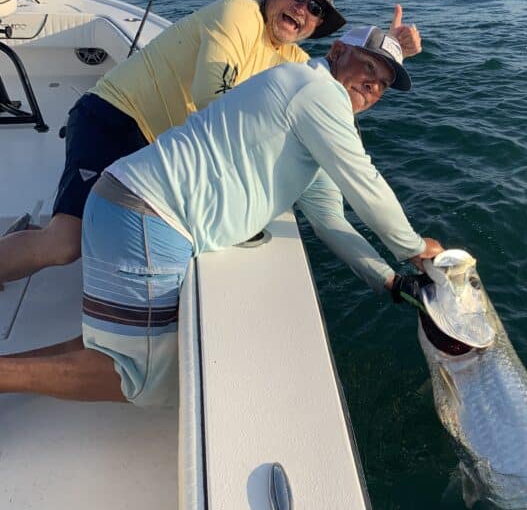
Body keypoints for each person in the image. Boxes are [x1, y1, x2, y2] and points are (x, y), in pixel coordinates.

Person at [0, 26, 442, 405]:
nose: (373, 87)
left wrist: (388, 281)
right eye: (369, 69)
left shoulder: (311, 111)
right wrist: (416, 248)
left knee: (124, 351)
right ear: (338, 52)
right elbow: (366, 183)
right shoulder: (316, 91)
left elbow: (331, 220)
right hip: (149, 217)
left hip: (131, 206)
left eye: (383, 84)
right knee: (136, 375)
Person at [0, 0, 422, 285]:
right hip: (115, 117)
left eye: (315, 9)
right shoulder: (239, 14)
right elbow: (210, 100)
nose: (302, 8)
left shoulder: (295, 61)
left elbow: (332, 98)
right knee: (65, 244)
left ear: (316, 29)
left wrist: (383, 59)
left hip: (160, 153)